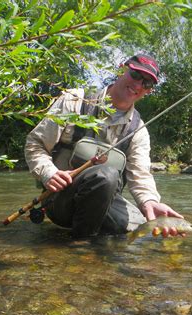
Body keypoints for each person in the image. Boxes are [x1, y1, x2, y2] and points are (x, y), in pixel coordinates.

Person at [25, 54, 183, 238]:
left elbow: (140, 175)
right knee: (106, 175)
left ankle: (91, 244)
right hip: (59, 201)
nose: (139, 85)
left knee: (142, 228)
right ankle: (81, 245)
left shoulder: (138, 131)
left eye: (147, 83)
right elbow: (35, 144)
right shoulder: (75, 101)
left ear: (148, 91)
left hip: (104, 204)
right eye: (135, 75)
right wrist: (48, 173)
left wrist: (149, 202)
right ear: (122, 69)